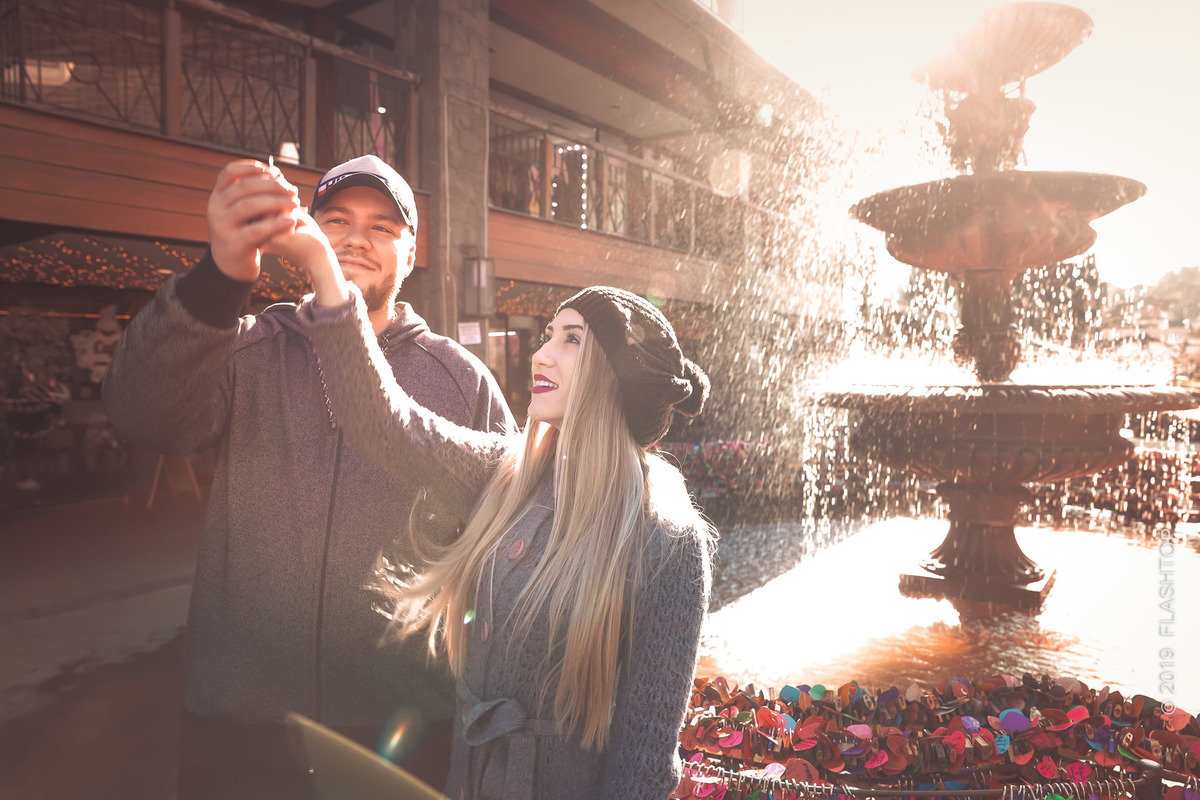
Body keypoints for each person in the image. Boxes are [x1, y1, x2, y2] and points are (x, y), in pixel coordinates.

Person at [265, 196, 715, 798]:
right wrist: (326, 272)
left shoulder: (666, 537)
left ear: (619, 375)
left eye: (572, 340)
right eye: (548, 335)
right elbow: (382, 420)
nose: (541, 353)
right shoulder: (504, 475)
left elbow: (644, 761)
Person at [102, 155, 513, 798]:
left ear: (412, 252)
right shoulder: (245, 349)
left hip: (407, 725)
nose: (355, 238)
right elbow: (140, 414)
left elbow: (507, 542)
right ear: (308, 232)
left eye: (382, 227)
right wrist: (219, 276)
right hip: (242, 723)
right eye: (337, 219)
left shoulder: (463, 380)